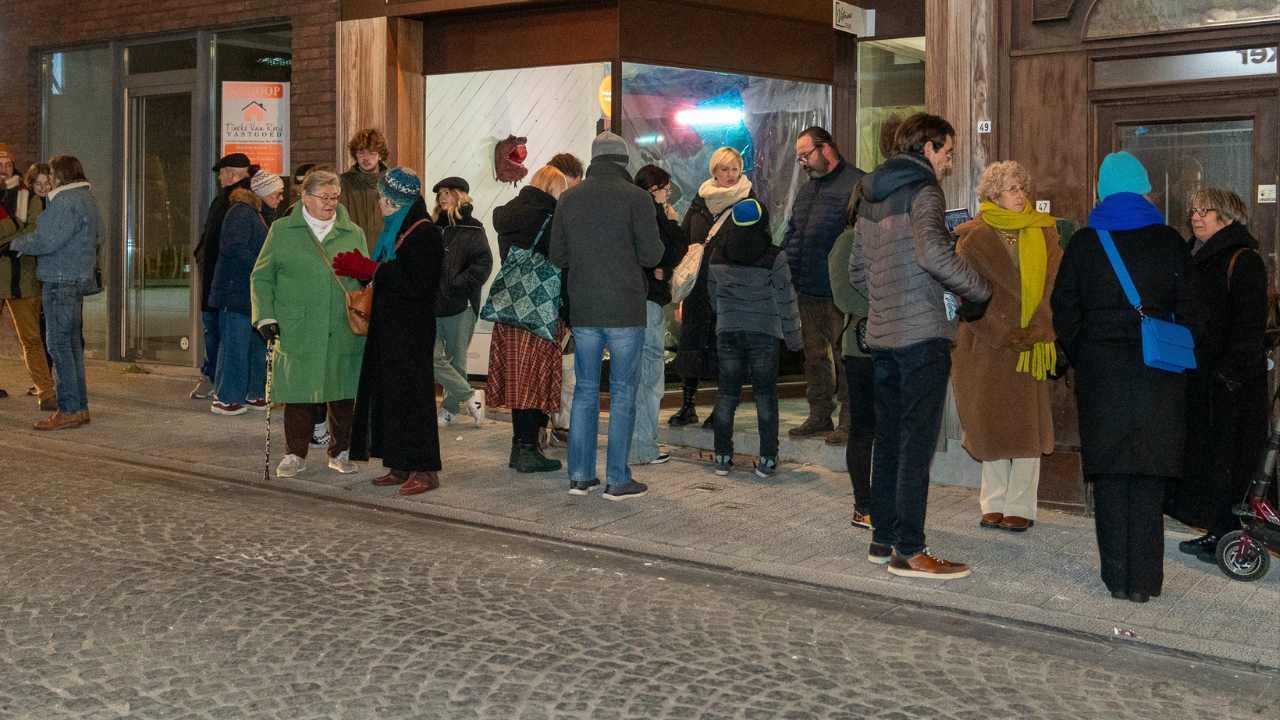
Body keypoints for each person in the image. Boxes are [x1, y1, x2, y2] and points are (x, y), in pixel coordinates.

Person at [1050, 151, 1198, 603]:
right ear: (1144, 189)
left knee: (1111, 476)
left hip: (1102, 373)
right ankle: (1146, 582)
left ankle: (1116, 578)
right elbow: (1193, 308)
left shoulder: (1084, 243)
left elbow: (1064, 309)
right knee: (1149, 476)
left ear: (1102, 191)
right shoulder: (1169, 241)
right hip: (1158, 370)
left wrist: (1085, 352)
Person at [849, 113, 990, 579]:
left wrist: (889, 297)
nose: (949, 164)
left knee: (888, 439)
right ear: (927, 148)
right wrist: (978, 288)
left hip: (884, 335)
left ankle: (882, 536)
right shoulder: (924, 190)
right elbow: (933, 254)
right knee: (916, 444)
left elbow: (856, 273)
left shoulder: (869, 195)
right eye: (947, 153)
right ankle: (910, 550)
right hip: (922, 334)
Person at [550, 131, 664, 499]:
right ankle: (617, 479)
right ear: (623, 160)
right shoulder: (637, 198)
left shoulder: (568, 198)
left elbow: (558, 257)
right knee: (622, 392)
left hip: (584, 309)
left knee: (584, 391)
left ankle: (580, 476)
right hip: (625, 309)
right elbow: (651, 256)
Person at [951, 161, 1061, 533]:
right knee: (991, 423)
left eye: (1023, 189)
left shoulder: (1045, 233)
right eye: (1013, 189)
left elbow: (1054, 287)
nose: (1021, 195)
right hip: (986, 344)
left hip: (1032, 344)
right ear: (993, 194)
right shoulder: (972, 237)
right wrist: (1001, 331)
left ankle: (1021, 505)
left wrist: (1039, 327)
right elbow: (967, 293)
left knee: (1027, 427)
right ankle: (993, 502)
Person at [1167, 188, 1267, 564]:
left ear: (1227, 217)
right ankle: (1216, 531)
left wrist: (1228, 377)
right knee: (1211, 461)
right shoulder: (1195, 256)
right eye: (1193, 210)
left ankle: (1228, 536)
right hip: (1203, 379)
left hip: (1232, 386)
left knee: (1232, 461)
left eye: (1205, 211)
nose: (1196, 217)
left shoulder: (1243, 261)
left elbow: (1248, 329)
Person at [250, 168, 368, 478]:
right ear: (305, 198)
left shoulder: (352, 232)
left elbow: (365, 283)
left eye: (335, 197)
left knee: (342, 392)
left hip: (340, 326)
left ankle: (341, 451)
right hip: (297, 325)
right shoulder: (283, 230)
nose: (331, 203)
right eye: (324, 197)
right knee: (298, 392)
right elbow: (262, 276)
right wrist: (265, 315)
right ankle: (294, 454)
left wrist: (369, 273)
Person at [343, 168, 446, 495]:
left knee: (414, 399)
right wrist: (366, 273)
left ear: (400, 200)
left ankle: (425, 470)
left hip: (411, 332)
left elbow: (417, 284)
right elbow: (385, 277)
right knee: (390, 398)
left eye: (385, 198)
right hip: (388, 328)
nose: (380, 203)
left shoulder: (425, 233)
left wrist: (374, 270)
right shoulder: (395, 229)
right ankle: (399, 463)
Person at [783, 127, 867, 446]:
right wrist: (789, 264)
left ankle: (849, 420)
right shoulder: (807, 190)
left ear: (826, 150)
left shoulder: (857, 183)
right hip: (807, 289)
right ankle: (820, 414)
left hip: (840, 294)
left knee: (845, 356)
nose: (802, 163)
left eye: (805, 155)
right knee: (815, 358)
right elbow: (793, 231)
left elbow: (864, 237)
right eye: (799, 158)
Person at [707, 199, 802, 477]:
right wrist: (795, 340)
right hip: (764, 332)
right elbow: (787, 299)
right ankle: (768, 460)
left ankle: (722, 457)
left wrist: (726, 314)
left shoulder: (717, 253)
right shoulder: (774, 255)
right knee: (765, 395)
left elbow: (713, 295)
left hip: (728, 330)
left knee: (726, 394)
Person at [10, 156, 102, 430]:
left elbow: (45, 239)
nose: (48, 178)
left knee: (59, 346)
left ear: (60, 176)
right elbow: (101, 234)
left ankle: (70, 410)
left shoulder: (63, 202)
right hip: (76, 279)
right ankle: (80, 407)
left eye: (51, 172)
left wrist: (15, 244)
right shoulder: (88, 200)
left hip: (59, 280)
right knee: (72, 346)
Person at [490, 165, 571, 472]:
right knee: (533, 381)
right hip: (539, 309)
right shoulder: (549, 218)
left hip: (510, 309)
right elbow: (561, 264)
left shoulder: (508, 215)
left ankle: (518, 448)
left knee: (517, 379)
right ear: (553, 189)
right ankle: (527, 451)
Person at [669, 147, 755, 429]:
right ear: (714, 172)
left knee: (724, 349)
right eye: (724, 169)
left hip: (728, 287)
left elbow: (756, 243)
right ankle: (688, 404)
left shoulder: (748, 201)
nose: (730, 175)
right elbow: (684, 237)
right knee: (691, 346)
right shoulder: (701, 200)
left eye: (735, 169)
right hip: (698, 287)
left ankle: (721, 409)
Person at [206, 169, 284, 415]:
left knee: (255, 345)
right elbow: (234, 248)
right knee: (235, 346)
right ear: (263, 192)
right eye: (278, 193)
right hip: (235, 291)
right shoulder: (242, 212)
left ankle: (255, 393)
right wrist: (262, 269)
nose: (281, 198)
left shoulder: (260, 215)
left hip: (250, 292)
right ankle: (226, 398)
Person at [630, 164, 689, 465]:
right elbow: (673, 250)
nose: (668, 196)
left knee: (632, 377)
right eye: (666, 190)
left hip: (628, 303)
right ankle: (643, 446)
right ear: (654, 190)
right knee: (650, 377)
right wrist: (674, 223)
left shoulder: (626, 210)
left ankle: (633, 444)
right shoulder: (652, 214)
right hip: (648, 303)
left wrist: (661, 269)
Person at [828, 197, 875, 531]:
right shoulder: (848, 241)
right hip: (861, 349)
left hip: (891, 345)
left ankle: (883, 502)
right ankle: (863, 506)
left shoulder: (882, 238)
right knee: (863, 429)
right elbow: (843, 296)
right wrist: (890, 308)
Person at [431, 176, 492, 427]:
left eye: (447, 192)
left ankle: (448, 410)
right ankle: (470, 394)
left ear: (460, 195)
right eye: (439, 194)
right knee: (430, 356)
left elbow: (483, 264)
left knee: (457, 359)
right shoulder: (431, 227)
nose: (442, 197)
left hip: (460, 304)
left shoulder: (474, 228)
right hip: (433, 304)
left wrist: (458, 283)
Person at [192, 152, 253, 400]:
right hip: (214, 276)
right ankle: (214, 377)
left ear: (232, 173)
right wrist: (200, 254)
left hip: (226, 280)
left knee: (222, 331)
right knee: (214, 328)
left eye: (221, 173)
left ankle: (220, 382)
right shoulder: (223, 201)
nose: (219, 178)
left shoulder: (242, 202)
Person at [0, 162, 56, 410]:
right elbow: (23, 228)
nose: (4, 169)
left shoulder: (29, 196)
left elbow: (35, 229)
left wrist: (9, 241)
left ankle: (47, 394)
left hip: (23, 279)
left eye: (8, 164)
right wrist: (15, 226)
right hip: (14, 274)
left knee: (32, 339)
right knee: (32, 340)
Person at [545, 152, 586, 442]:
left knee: (569, 373)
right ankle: (548, 426)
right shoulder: (544, 218)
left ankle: (563, 425)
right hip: (547, 306)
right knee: (548, 373)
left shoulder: (578, 214)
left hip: (569, 306)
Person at [339, 129, 388, 242]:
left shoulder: (392, 183)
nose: (366, 158)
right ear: (355, 155)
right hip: (352, 253)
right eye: (361, 153)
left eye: (371, 153)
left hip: (385, 254)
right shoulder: (342, 184)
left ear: (380, 156)